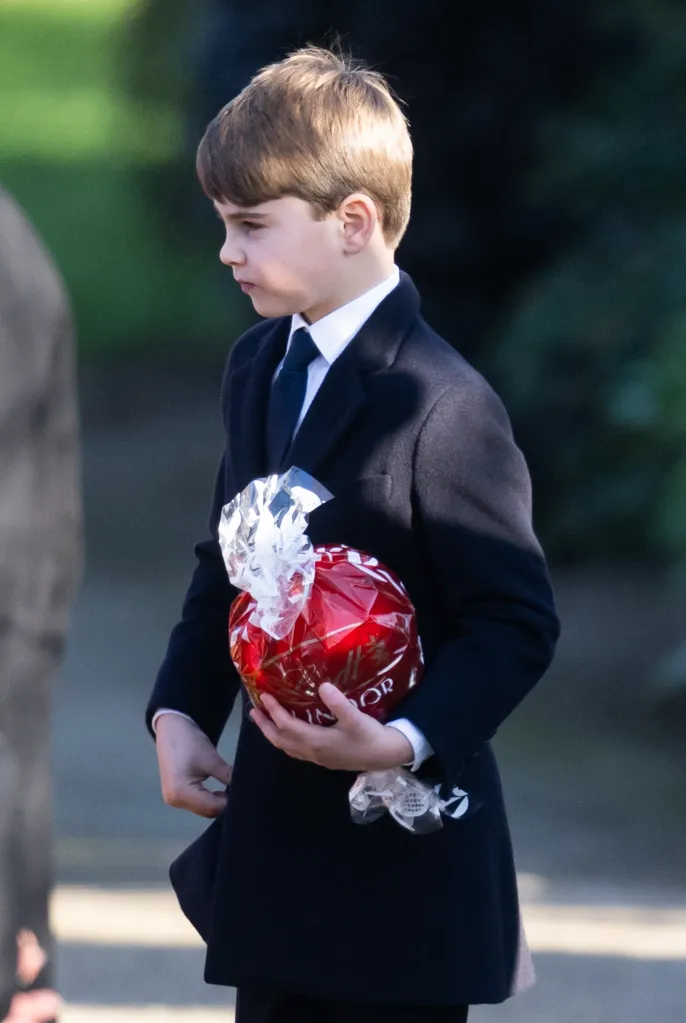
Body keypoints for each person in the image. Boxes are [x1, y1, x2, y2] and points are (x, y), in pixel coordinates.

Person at [146, 46, 560, 1023]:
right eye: (221, 225)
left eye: (249, 226)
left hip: (398, 873)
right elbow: (229, 562)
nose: (226, 252)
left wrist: (404, 740)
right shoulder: (256, 365)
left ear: (353, 222)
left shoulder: (441, 403)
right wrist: (179, 713)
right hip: (275, 851)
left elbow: (512, 622)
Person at [0, 186, 83, 1021]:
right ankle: (29, 964)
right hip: (28, 555)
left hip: (13, 564)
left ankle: (22, 967)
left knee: (8, 765)